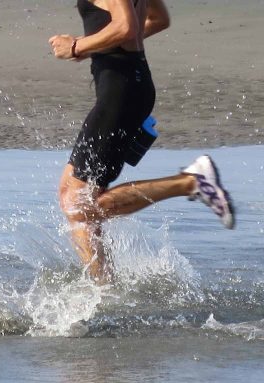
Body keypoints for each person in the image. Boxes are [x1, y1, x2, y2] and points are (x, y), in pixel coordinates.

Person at [49, 0, 234, 283]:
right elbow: (158, 19)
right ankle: (102, 285)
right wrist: (96, 44)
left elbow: (126, 26)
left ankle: (191, 181)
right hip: (127, 88)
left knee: (79, 205)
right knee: (70, 194)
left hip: (121, 94)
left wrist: (77, 47)